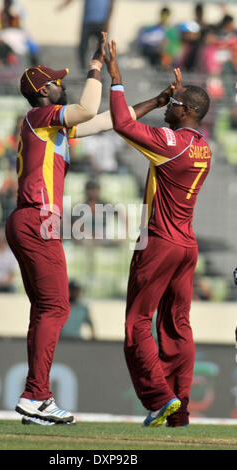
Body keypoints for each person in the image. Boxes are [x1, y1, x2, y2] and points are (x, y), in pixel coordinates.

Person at [103, 39, 211, 427]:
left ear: (186, 110)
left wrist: (117, 79)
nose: (169, 106)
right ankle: (179, 410)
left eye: (174, 104)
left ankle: (158, 398)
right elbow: (168, 135)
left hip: (160, 243)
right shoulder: (202, 147)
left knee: (137, 323)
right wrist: (163, 96)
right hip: (187, 246)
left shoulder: (172, 145)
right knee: (178, 325)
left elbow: (122, 124)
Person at [5, 32, 107, 426]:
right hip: (36, 216)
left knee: (44, 309)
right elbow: (85, 108)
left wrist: (151, 102)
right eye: (57, 80)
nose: (62, 84)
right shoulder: (40, 116)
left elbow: (107, 121)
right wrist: (95, 68)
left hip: (27, 218)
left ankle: (38, 398)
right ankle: (36, 396)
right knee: (57, 307)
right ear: (44, 90)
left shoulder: (50, 127)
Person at [58, 0, 115, 71]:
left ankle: (101, 70)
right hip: (87, 21)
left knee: (102, 47)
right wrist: (64, 5)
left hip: (101, 22)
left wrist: (108, 21)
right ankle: (82, 68)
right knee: (83, 47)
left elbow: (112, 4)